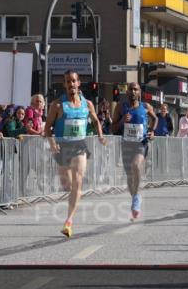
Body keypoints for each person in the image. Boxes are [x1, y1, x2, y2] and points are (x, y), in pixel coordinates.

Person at [44, 70, 106, 238]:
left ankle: (68, 221)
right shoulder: (57, 105)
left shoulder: (88, 104)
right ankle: (73, 200)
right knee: (68, 186)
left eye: (74, 81)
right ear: (64, 84)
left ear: (78, 83)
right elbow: (47, 128)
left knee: (78, 181)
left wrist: (100, 134)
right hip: (62, 147)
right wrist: (51, 142)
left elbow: (95, 120)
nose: (71, 84)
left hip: (79, 146)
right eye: (67, 81)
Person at [111, 82, 157, 220]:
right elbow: (113, 128)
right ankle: (136, 197)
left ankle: (136, 201)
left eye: (135, 89)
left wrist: (152, 131)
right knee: (130, 178)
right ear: (127, 92)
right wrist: (122, 121)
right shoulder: (120, 106)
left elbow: (155, 119)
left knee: (136, 166)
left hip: (141, 144)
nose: (132, 92)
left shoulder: (145, 107)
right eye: (130, 89)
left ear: (139, 92)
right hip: (126, 145)